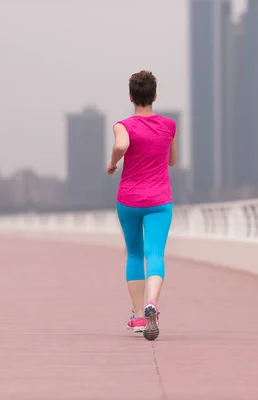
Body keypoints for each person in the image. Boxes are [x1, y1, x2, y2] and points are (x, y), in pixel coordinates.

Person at [106, 70, 177, 341]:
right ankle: (152, 304)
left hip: (129, 200)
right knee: (155, 253)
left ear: (130, 97)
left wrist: (113, 162)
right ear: (155, 96)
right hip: (160, 200)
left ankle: (137, 316)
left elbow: (122, 144)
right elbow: (172, 161)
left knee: (135, 254)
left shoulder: (123, 125)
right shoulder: (169, 126)